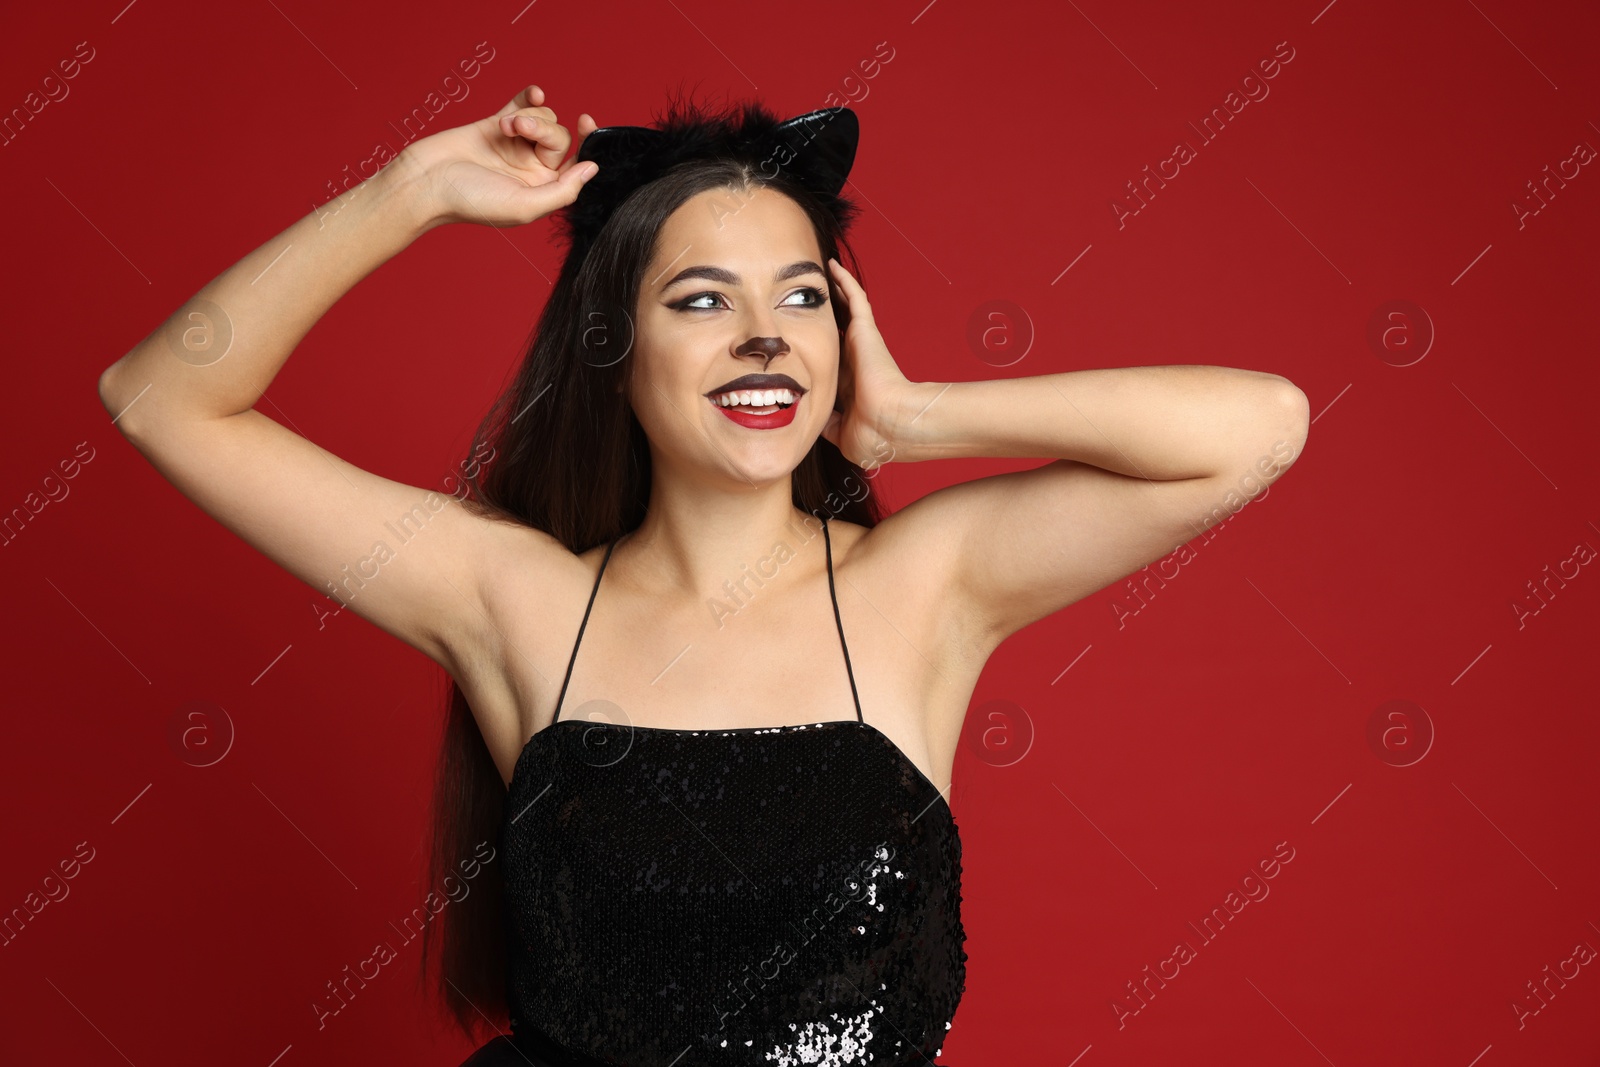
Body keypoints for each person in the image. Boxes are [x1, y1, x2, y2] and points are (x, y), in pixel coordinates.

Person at [96, 84, 1311, 1066]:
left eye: (801, 296)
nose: (765, 335)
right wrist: (409, 192)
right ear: (614, 352)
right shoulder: (520, 603)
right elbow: (162, 398)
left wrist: (915, 420)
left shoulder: (920, 584)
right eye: (700, 299)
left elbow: (1259, 424)